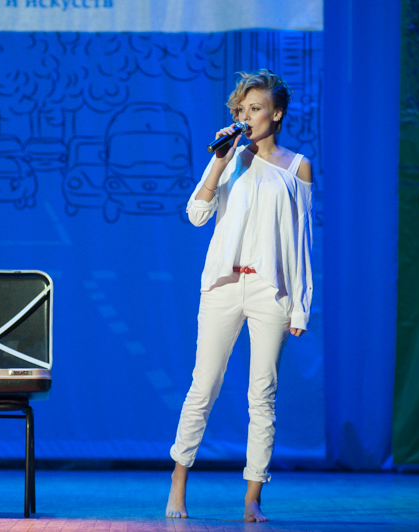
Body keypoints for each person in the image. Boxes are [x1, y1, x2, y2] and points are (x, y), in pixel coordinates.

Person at [165, 69, 314, 523]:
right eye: (242, 110)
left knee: (262, 394)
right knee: (204, 385)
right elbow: (196, 214)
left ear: (277, 113)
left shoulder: (297, 166)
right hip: (223, 286)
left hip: (271, 290)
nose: (247, 117)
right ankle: (178, 480)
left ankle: (253, 497)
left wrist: (301, 305)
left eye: (256, 109)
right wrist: (219, 160)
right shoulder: (230, 157)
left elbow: (302, 242)